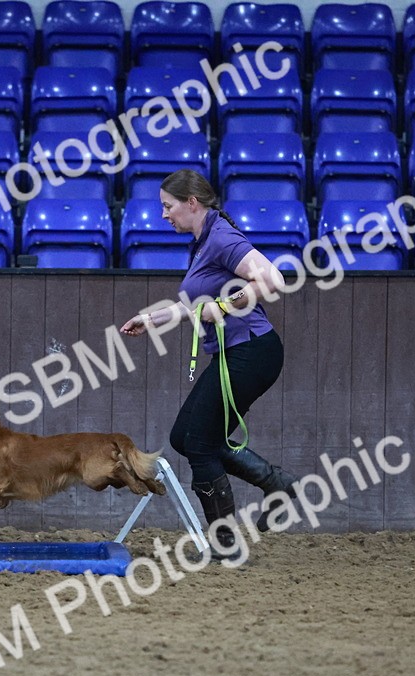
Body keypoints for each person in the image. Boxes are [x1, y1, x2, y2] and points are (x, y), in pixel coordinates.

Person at [120, 169, 301, 559]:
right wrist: (151, 320)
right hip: (240, 353)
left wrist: (220, 306)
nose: (164, 215)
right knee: (184, 437)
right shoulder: (203, 242)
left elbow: (272, 280)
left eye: (168, 207)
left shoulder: (220, 237)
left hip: (252, 350)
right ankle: (278, 486)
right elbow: (192, 308)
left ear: (191, 203)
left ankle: (226, 543)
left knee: (199, 441)